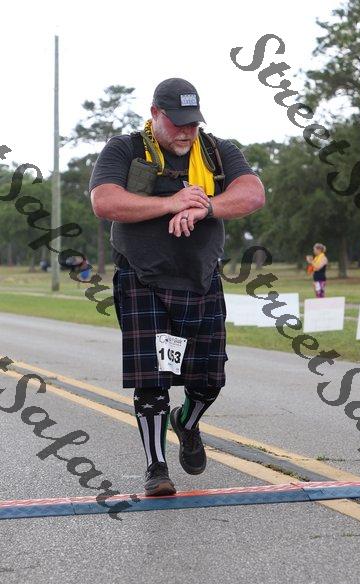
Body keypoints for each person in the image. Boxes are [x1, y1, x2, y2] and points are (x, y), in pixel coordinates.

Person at [89, 78, 265, 496]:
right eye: (178, 122)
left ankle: (186, 422)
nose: (186, 131)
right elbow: (104, 200)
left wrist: (205, 207)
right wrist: (173, 202)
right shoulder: (126, 148)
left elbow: (252, 194)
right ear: (155, 114)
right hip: (143, 278)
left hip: (200, 278)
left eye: (193, 122)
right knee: (154, 379)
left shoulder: (217, 150)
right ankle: (156, 467)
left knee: (209, 380)